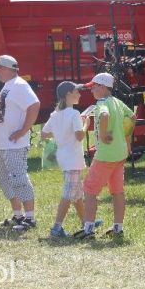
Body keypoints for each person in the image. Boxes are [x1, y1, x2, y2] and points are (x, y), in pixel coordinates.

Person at [74, 72, 134, 239]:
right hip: (120, 153)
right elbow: (132, 117)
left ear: (102, 87)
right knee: (117, 191)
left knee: (90, 190)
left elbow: (104, 115)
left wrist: (103, 134)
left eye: (93, 87)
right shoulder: (117, 102)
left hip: (106, 155)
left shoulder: (102, 104)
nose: (92, 90)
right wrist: (128, 141)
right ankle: (118, 228)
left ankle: (89, 229)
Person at [41, 81, 102, 238]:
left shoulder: (55, 115)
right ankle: (56, 227)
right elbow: (79, 136)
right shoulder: (74, 114)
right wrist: (86, 123)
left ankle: (86, 222)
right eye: (77, 91)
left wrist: (60, 134)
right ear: (68, 94)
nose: (80, 94)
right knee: (69, 194)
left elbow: (44, 133)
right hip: (73, 159)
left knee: (76, 195)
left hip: (63, 158)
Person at [0, 54, 41, 230]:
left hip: (13, 145)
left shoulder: (19, 85)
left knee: (18, 178)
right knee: (5, 179)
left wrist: (23, 130)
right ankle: (18, 215)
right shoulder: (9, 86)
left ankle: (30, 218)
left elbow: (34, 105)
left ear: (7, 68)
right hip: (2, 144)